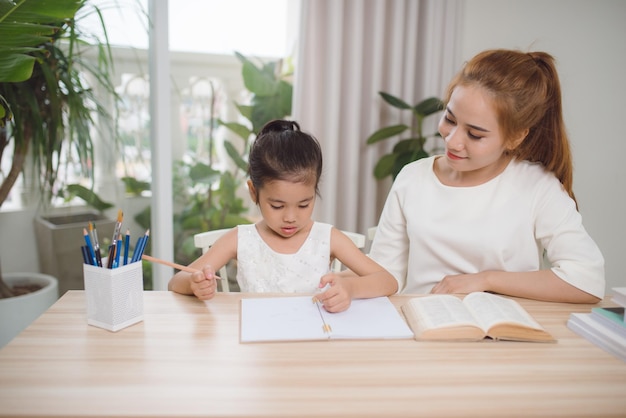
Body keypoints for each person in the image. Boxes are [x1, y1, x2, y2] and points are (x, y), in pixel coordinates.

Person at [368, 49, 605, 303]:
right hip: (423, 326)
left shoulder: (537, 187)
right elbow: (385, 274)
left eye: (475, 134)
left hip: (502, 332)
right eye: (450, 119)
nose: (453, 140)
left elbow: (587, 281)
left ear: (516, 137)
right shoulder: (413, 177)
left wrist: (486, 279)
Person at [169, 119, 398, 312]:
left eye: (303, 204)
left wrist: (350, 288)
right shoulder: (240, 239)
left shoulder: (327, 237)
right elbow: (175, 282)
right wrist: (194, 283)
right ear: (253, 192)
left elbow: (388, 282)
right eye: (277, 206)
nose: (291, 217)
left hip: (313, 343)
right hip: (257, 345)